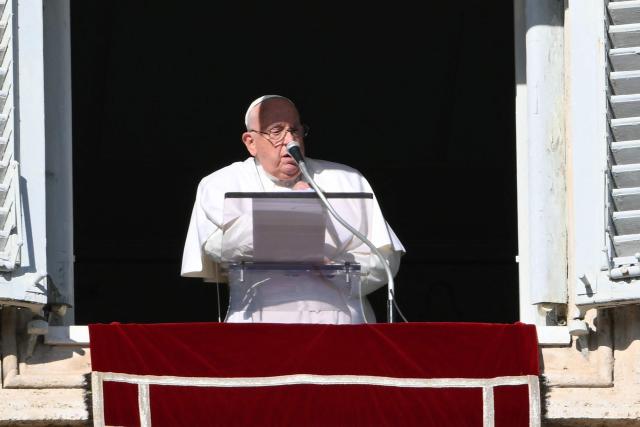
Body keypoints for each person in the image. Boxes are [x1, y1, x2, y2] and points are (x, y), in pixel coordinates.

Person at [181, 95, 405, 324]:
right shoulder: (222, 183)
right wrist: (293, 209)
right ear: (251, 142)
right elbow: (219, 247)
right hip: (259, 324)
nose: (291, 141)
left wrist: (333, 268)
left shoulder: (347, 180)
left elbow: (385, 258)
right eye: (276, 131)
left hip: (340, 324)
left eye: (295, 130)